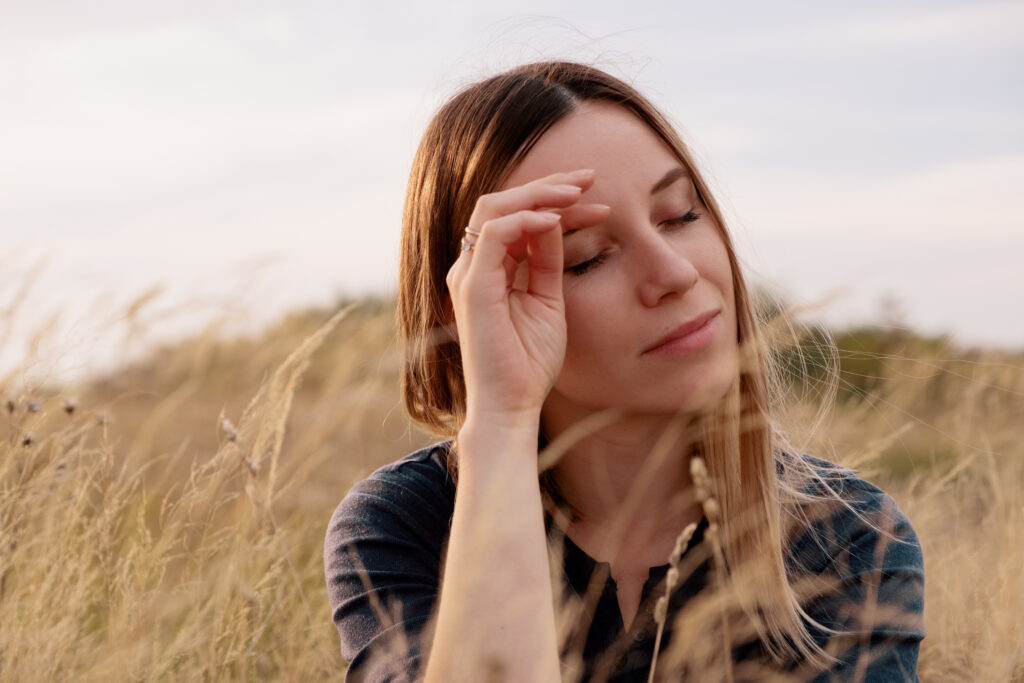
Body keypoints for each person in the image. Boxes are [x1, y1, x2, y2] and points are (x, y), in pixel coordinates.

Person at [324, 61, 925, 682]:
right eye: (585, 257)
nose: (675, 273)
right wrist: (501, 418)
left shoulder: (847, 538)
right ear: (479, 310)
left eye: (680, 215)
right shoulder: (409, 524)